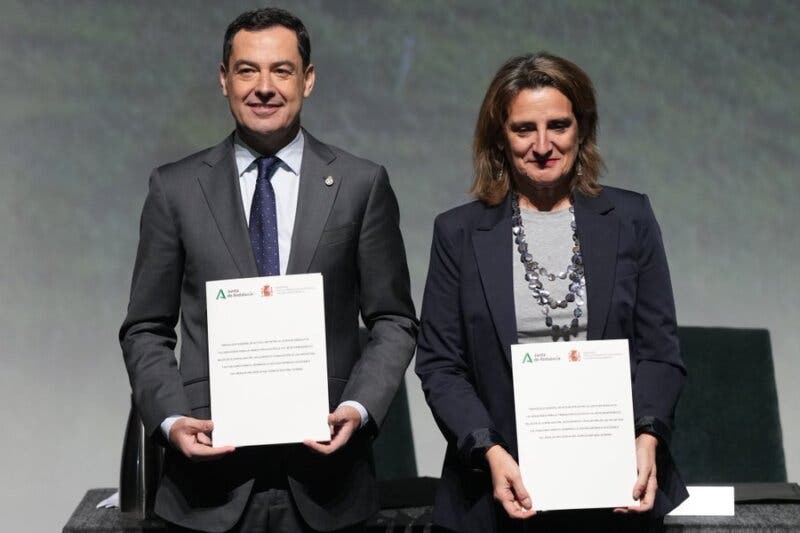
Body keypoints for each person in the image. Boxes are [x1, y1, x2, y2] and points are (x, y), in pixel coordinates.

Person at [119, 7, 417, 533]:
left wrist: (358, 407)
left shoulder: (360, 184)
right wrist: (171, 420)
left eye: (281, 70)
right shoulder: (174, 189)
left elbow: (393, 319)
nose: (264, 87)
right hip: (207, 485)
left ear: (308, 79)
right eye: (247, 70)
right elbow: (146, 327)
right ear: (224, 80)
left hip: (330, 484)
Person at [415, 52, 688, 532]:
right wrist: (489, 451)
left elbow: (659, 352)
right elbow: (441, 366)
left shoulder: (631, 219)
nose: (543, 145)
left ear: (582, 129)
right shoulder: (458, 233)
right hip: (497, 492)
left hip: (615, 490)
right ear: (499, 137)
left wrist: (647, 437)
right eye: (524, 129)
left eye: (558, 125)